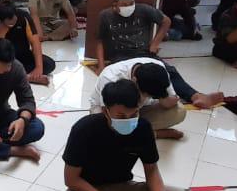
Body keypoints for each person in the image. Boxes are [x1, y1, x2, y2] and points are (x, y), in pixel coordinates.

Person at [61, 79, 193, 191]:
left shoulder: (143, 128)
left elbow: (151, 171)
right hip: (89, 189)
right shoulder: (84, 129)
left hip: (123, 186)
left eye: (134, 114)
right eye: (121, 116)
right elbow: (71, 179)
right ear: (105, 111)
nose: (128, 120)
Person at [90, 56, 223, 140]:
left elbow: (166, 103)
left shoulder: (158, 69)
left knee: (179, 111)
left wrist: (167, 99)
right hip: (114, 113)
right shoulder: (111, 77)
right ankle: (155, 134)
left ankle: (141, 132)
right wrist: (124, 121)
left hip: (138, 112)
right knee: (102, 131)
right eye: (145, 94)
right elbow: (106, 111)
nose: (146, 97)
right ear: (134, 81)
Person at [95, 0, 169, 70]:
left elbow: (166, 21)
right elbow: (100, 41)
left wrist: (155, 44)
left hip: (144, 53)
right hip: (120, 57)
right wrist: (101, 66)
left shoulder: (143, 10)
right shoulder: (105, 16)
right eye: (124, 5)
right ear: (115, 4)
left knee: (168, 72)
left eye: (131, 3)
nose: (128, 7)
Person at [0, 4, 53, 84]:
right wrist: (1, 35)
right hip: (5, 59)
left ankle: (16, 76)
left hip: (23, 55)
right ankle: (27, 77)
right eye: (8, 24)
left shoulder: (24, 17)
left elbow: (35, 43)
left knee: (49, 64)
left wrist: (38, 68)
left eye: (13, 21)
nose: (11, 25)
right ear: (1, 21)